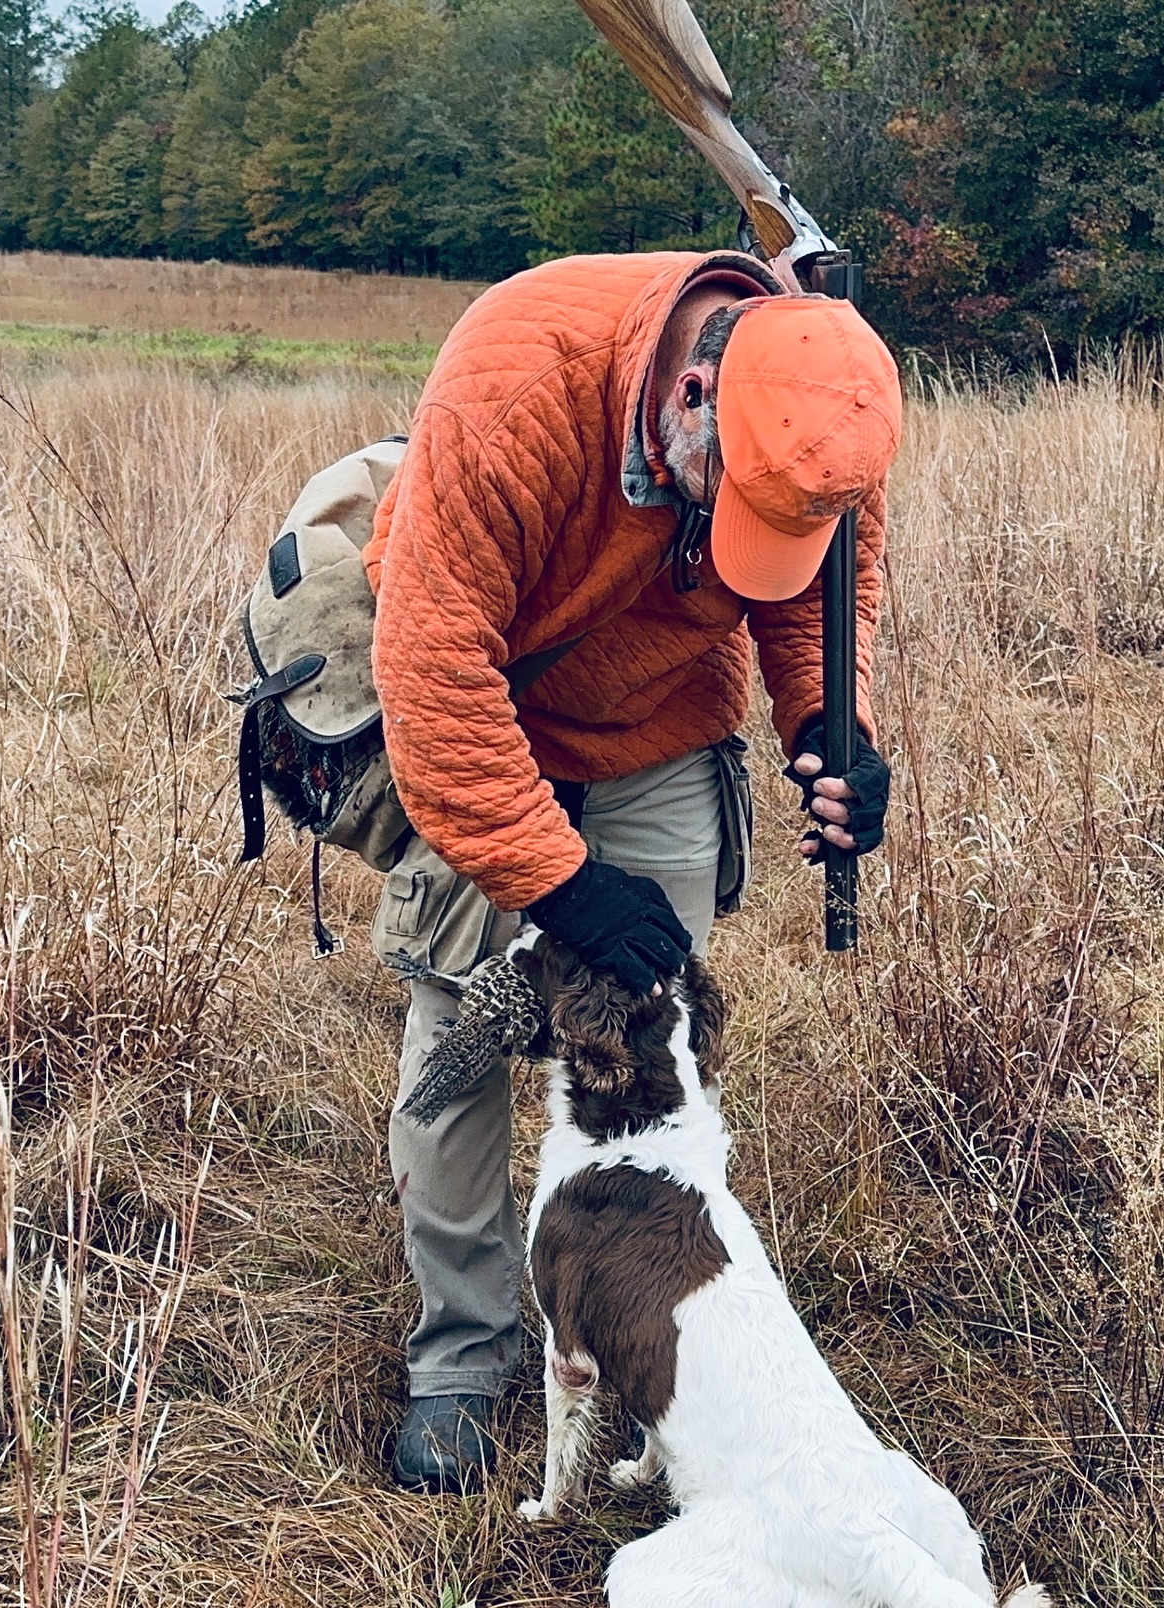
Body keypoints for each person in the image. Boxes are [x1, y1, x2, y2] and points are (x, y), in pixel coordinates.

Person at [360, 248, 901, 1493]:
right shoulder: (514, 383)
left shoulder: (832, 405)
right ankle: (464, 1352)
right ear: (694, 391)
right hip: (493, 716)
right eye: (725, 497)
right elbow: (436, 682)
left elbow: (818, 594)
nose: (731, 534)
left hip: (663, 719)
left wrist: (837, 737)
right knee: (459, 1041)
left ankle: (637, 1347)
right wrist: (560, 885)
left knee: (649, 1051)